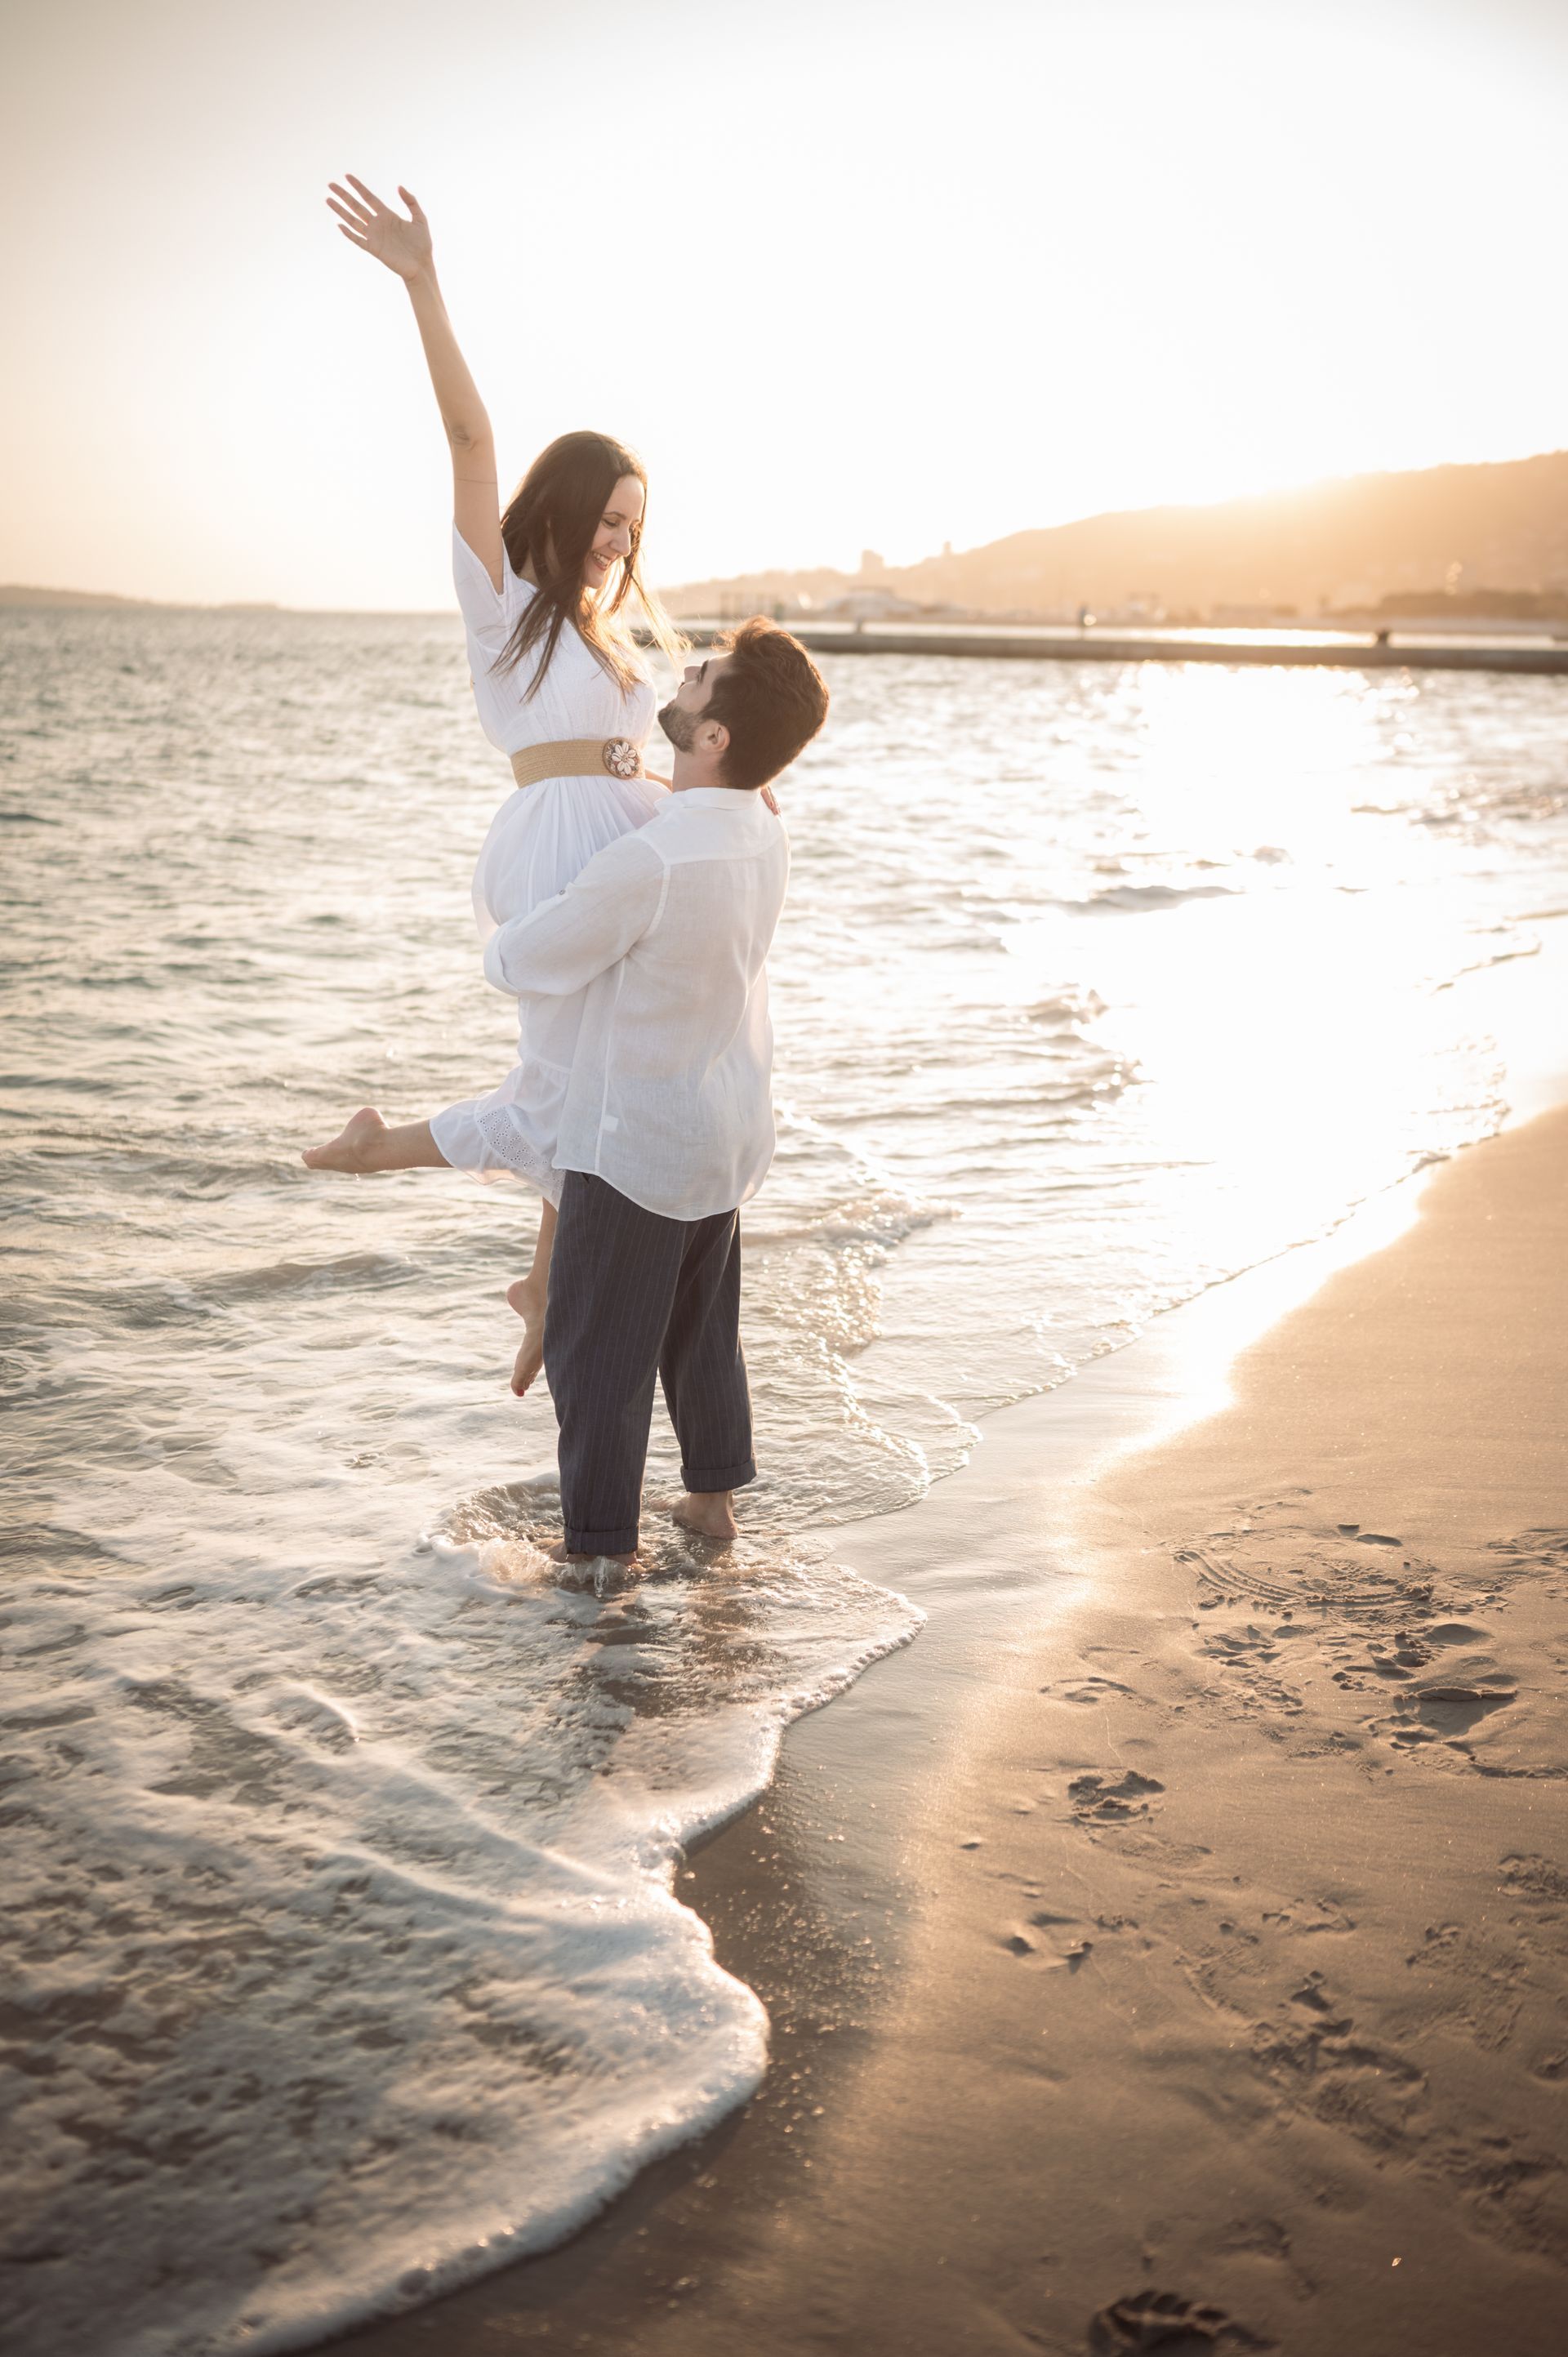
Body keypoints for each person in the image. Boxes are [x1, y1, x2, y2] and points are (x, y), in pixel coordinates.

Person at [301, 174, 685, 1396]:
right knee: (572, 1079)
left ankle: (538, 1270)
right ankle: (396, 1160)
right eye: (607, 517)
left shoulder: (612, 634)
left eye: (635, 523)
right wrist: (424, 282)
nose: (620, 540)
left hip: (635, 845)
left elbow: (655, 751)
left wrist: (725, 801)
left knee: (606, 1078)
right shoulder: (505, 607)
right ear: (562, 507)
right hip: (560, 848)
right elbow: (471, 441)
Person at [480, 617, 828, 1560]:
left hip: (634, 1146)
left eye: (700, 680)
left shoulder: (653, 859)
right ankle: (713, 1504)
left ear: (712, 737)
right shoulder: (762, 825)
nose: (681, 681)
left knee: (595, 1357)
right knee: (701, 1335)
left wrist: (500, 932)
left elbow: (529, 962)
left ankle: (597, 1552)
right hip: (724, 1131)